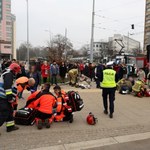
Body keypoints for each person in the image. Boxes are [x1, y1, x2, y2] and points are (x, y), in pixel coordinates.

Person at [0, 63, 21, 133]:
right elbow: (7, 87)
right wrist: (10, 98)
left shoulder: (7, 73)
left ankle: (10, 126)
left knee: (9, 111)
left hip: (4, 97)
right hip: (3, 97)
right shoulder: (9, 74)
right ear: (14, 70)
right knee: (4, 112)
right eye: (17, 71)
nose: (17, 73)